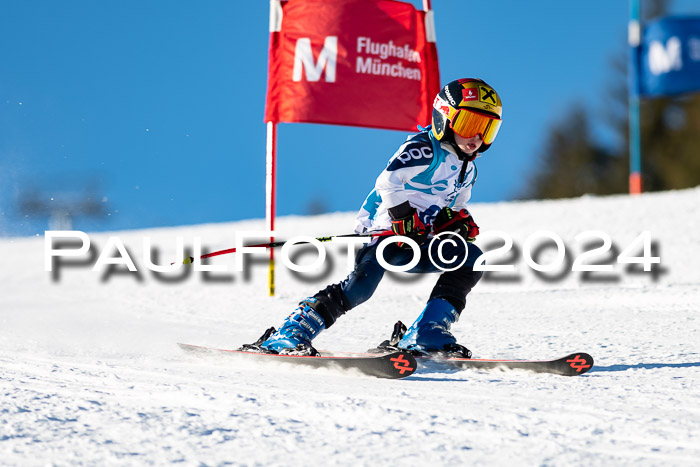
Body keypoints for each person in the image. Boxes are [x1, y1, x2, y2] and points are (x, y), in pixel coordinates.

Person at [245, 78, 503, 357]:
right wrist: (402, 217)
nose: (476, 137)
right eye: (469, 125)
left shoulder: (468, 171)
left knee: (472, 259)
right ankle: (291, 333)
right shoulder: (425, 148)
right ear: (445, 117)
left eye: (487, 129)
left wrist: (452, 222)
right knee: (361, 288)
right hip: (386, 234)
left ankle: (426, 332)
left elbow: (450, 207)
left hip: (420, 240)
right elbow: (387, 182)